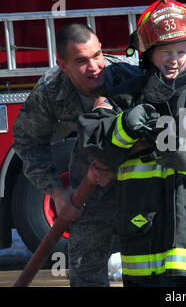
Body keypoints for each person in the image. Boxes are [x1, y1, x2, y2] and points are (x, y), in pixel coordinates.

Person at [78, 0, 186, 287]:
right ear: (148, 54)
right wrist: (125, 124)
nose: (175, 59)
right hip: (146, 244)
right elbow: (92, 139)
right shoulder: (127, 96)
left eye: (181, 50)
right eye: (165, 51)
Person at [12, 23, 142, 286]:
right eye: (82, 61)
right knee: (85, 272)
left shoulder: (131, 77)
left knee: (147, 268)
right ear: (63, 65)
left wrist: (117, 165)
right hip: (90, 182)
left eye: (97, 55)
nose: (94, 67)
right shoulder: (51, 90)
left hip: (139, 178)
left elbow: (163, 134)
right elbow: (27, 141)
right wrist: (56, 192)